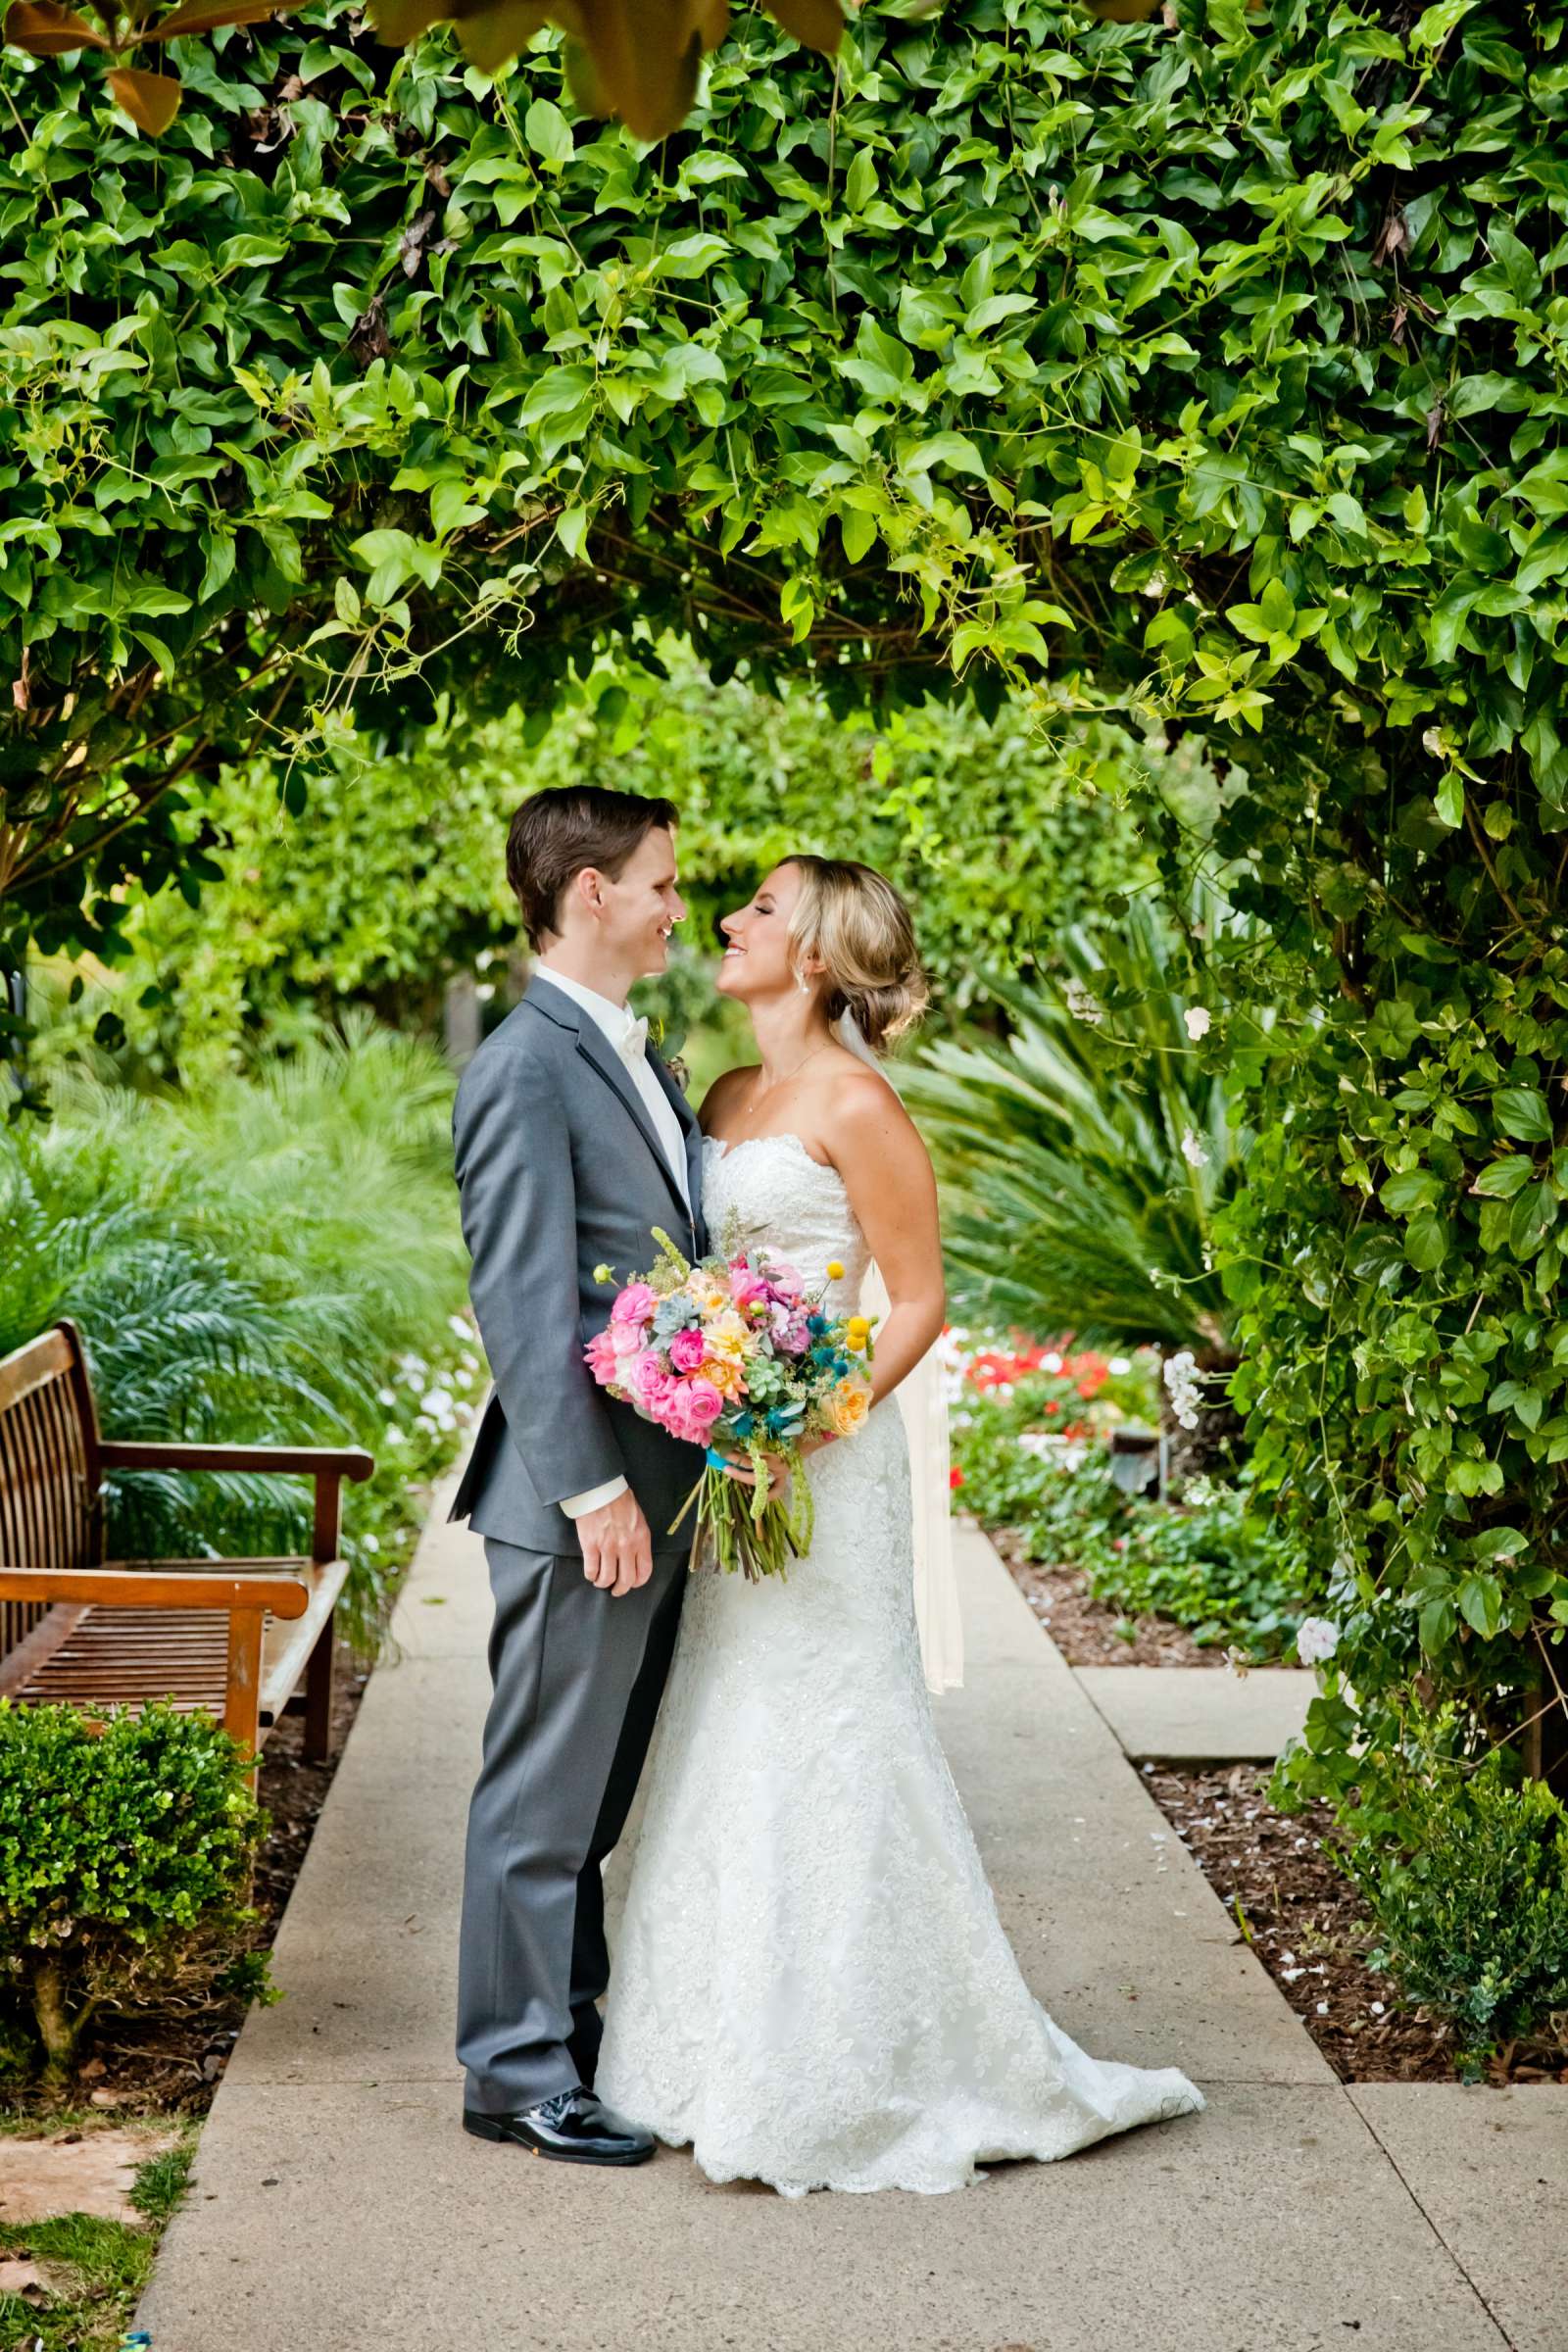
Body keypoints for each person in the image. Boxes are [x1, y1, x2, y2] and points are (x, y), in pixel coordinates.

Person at [595, 855, 1205, 2195]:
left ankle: (865, 2061)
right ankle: (700, 2047)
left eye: (758, 906)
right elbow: (699, 1276)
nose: (730, 921)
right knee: (726, 1718)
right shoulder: (726, 1092)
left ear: (810, 952)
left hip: (823, 1460)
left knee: (836, 1723)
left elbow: (919, 1298)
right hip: (731, 1457)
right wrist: (697, 1383)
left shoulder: (862, 1105)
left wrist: (802, 1422)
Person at [449, 785, 705, 2168]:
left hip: (655, 1490)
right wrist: (593, 1491)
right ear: (589, 892)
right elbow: (522, 1299)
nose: (680, 907)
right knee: (542, 1796)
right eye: (662, 883)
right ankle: (511, 2074)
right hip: (581, 1504)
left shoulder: (629, 1054)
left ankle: (574, 2027)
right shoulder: (524, 1065)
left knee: (595, 1796)